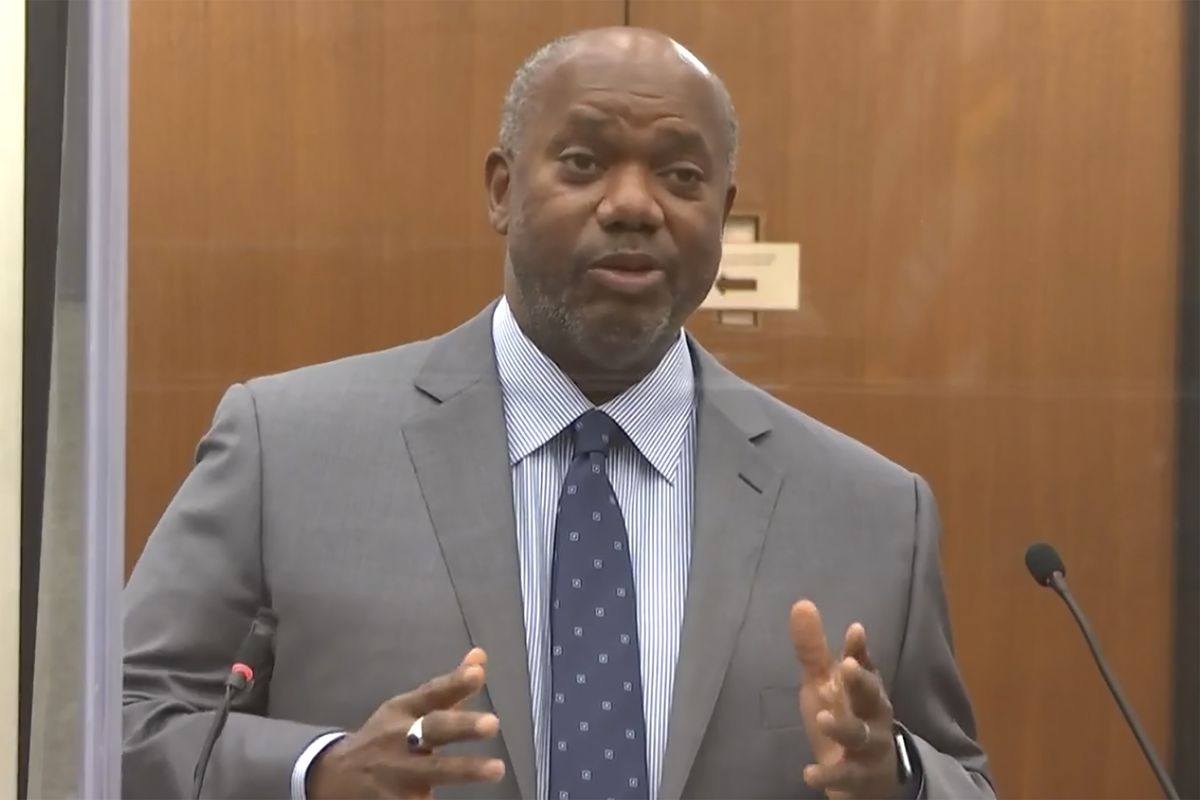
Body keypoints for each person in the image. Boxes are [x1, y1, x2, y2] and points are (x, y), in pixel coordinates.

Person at [123, 26, 994, 800]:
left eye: (681, 175)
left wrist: (900, 778)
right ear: (502, 190)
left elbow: (963, 778)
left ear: (721, 218)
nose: (633, 204)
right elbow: (121, 721)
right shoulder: (286, 450)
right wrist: (317, 771)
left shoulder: (875, 512)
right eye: (582, 163)